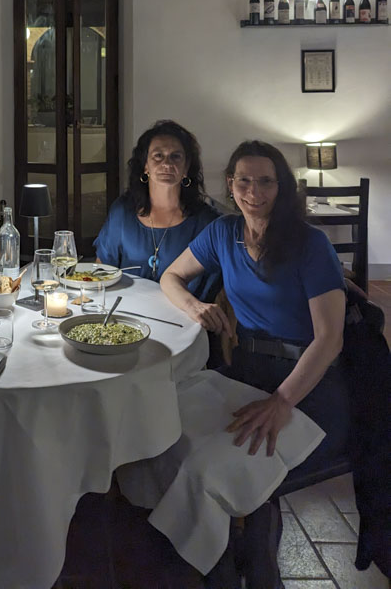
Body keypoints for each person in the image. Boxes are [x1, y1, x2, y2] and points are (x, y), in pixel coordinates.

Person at [160, 140, 349, 589]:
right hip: (245, 373)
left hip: (308, 388)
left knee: (215, 466)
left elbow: (329, 339)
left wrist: (283, 402)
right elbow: (171, 276)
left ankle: (250, 561)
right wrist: (196, 307)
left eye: (265, 181)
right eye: (244, 180)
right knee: (169, 434)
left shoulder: (310, 244)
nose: (253, 191)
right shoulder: (224, 232)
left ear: (281, 187)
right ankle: (223, 559)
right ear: (231, 184)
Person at [94, 119, 221, 300]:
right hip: (125, 313)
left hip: (182, 318)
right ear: (145, 165)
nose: (167, 164)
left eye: (176, 156)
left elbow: (213, 286)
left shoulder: (205, 221)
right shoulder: (123, 212)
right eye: (158, 156)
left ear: (186, 167)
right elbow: (103, 268)